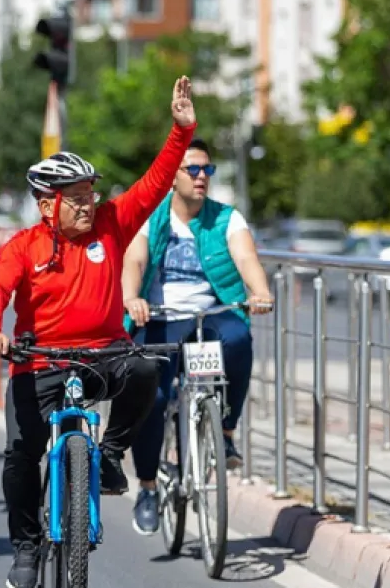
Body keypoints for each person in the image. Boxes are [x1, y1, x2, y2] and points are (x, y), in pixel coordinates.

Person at [0, 76, 197, 588]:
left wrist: (181, 132)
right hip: (40, 362)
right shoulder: (23, 246)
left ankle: (112, 455)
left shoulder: (111, 224)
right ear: (45, 204)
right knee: (19, 456)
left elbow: (155, 182)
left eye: (89, 195)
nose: (86, 205)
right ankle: (27, 550)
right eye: (74, 198)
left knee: (145, 366)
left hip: (104, 355)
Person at [121, 137, 273, 536]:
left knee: (239, 339)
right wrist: (132, 297)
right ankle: (149, 487)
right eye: (193, 169)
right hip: (159, 317)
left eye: (208, 169)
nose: (202, 176)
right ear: (173, 176)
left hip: (210, 314)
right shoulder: (151, 216)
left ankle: (224, 431)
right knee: (150, 396)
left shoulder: (226, 218)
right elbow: (134, 258)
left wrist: (259, 291)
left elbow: (246, 258)